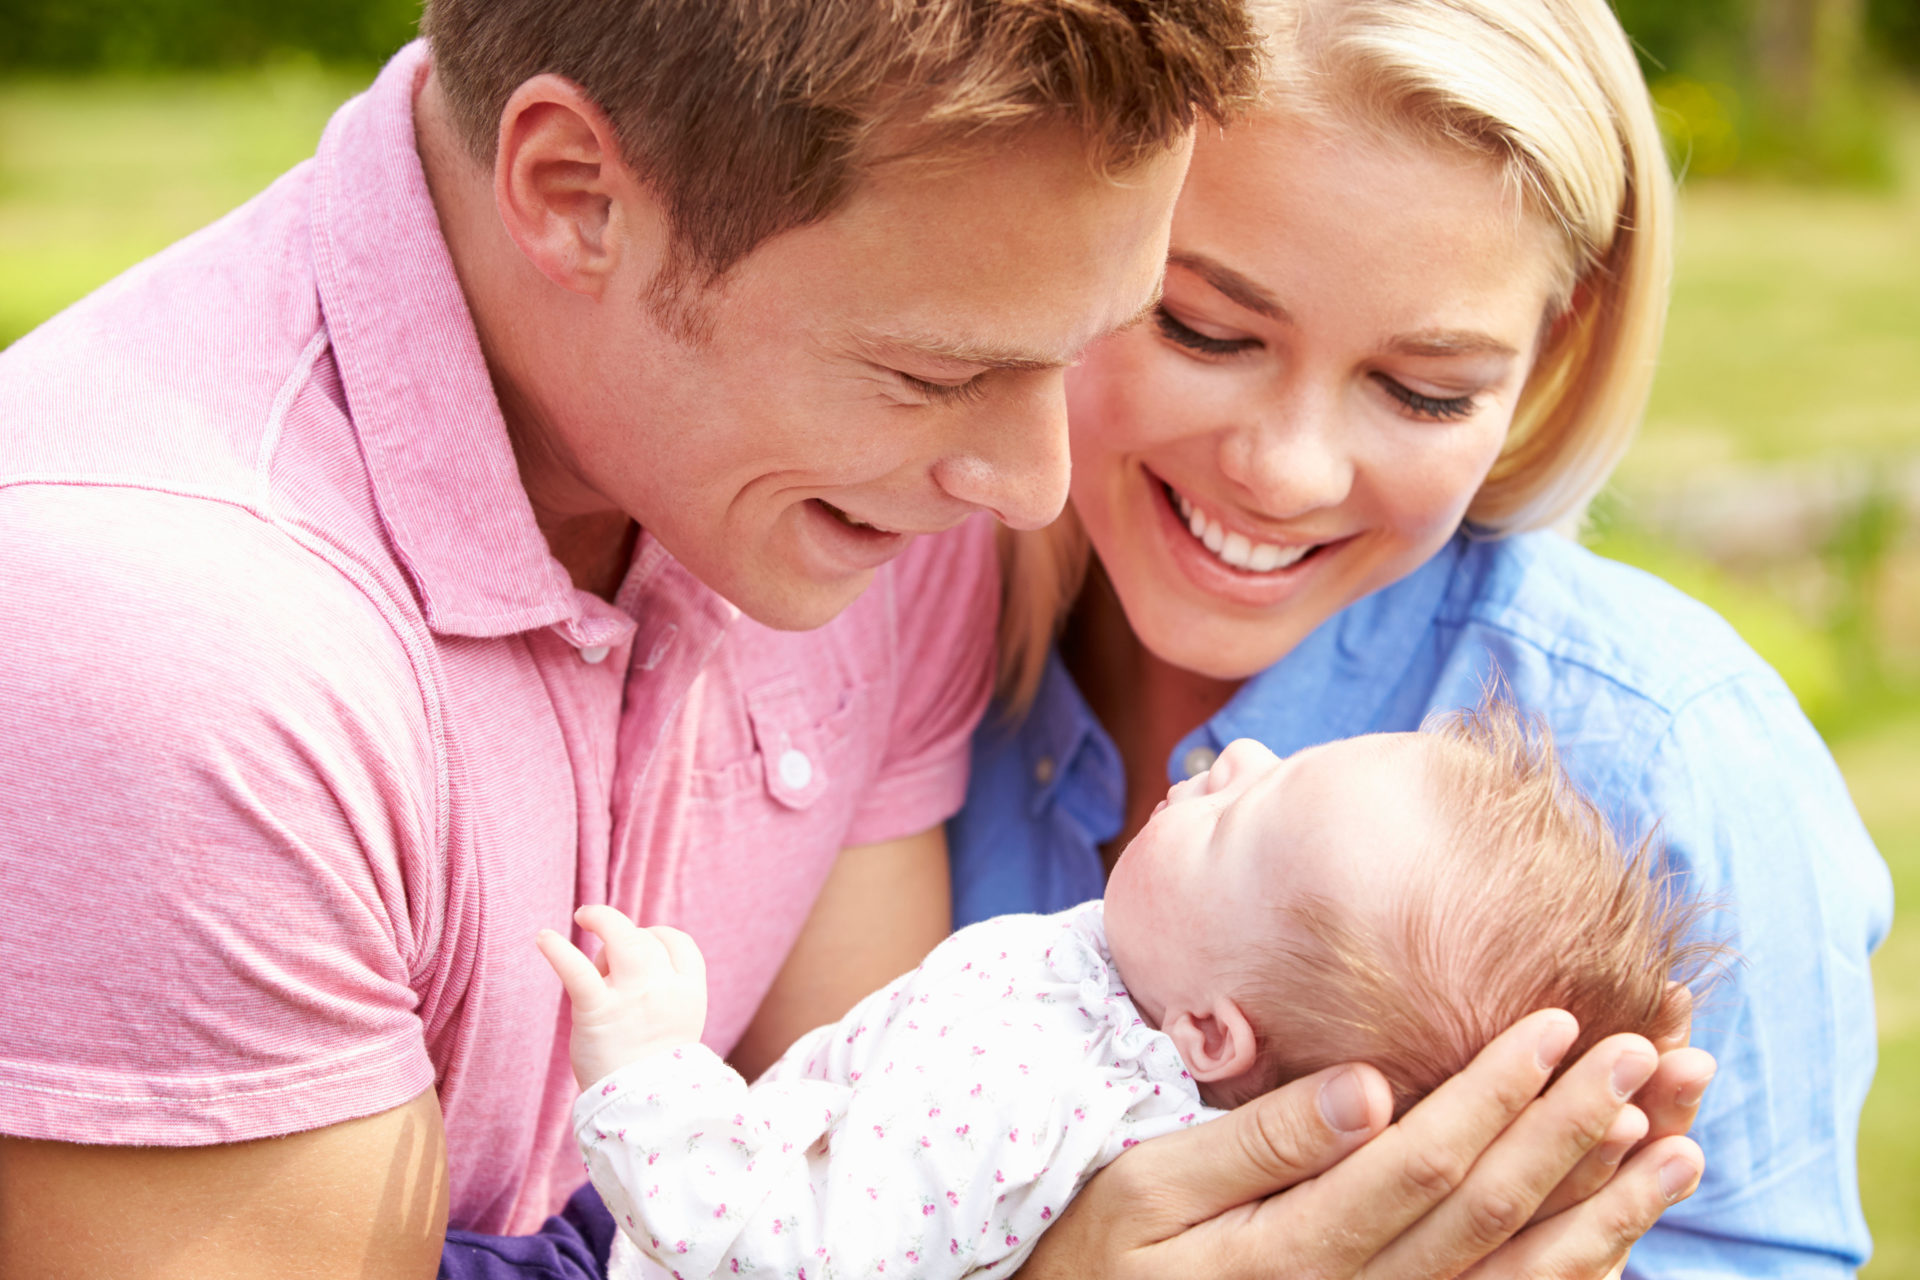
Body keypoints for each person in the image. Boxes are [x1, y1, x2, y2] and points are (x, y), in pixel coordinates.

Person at [0, 2, 1256, 1274]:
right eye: (935, 373)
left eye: (1089, 341)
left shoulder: (867, 499)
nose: (1034, 486)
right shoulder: (171, 668)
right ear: (574, 196)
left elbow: (860, 1186)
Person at [951, 0, 1896, 1275]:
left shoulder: (1665, 752)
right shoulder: (896, 624)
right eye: (1203, 328)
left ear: (1546, 358)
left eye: (1423, 390)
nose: (1284, 472)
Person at [545, 707, 1718, 1280]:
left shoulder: (1037, 1095)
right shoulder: (1135, 985)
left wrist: (652, 1069)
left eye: (1245, 811)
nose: (1239, 754)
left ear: (1210, 1032)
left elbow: (784, 1254)